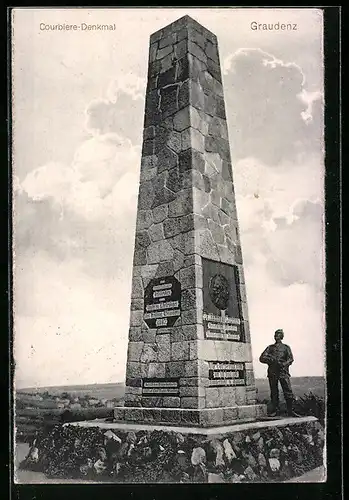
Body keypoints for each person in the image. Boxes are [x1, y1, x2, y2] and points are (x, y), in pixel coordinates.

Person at [259, 329, 300, 417]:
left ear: (281, 336)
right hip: (273, 372)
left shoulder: (286, 347)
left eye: (278, 335)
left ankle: (290, 410)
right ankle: (275, 410)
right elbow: (261, 358)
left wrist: (284, 364)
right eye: (275, 335)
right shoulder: (270, 348)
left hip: (283, 371)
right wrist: (271, 360)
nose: (276, 336)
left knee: (288, 391)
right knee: (274, 391)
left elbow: (290, 359)